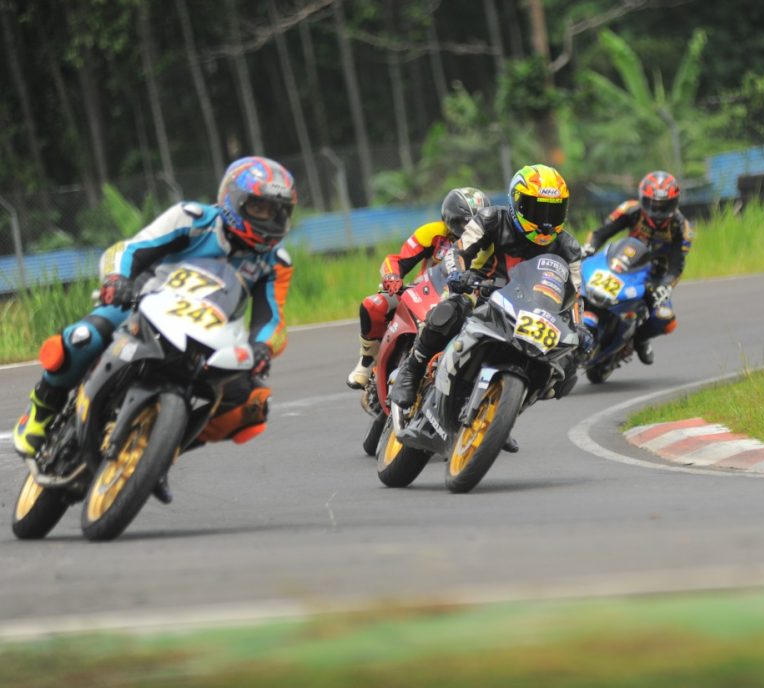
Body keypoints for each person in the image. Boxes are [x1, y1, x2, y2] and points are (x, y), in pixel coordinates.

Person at [12, 156, 297, 500]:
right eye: (259, 207)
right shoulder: (192, 219)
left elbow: (272, 319)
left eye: (277, 211)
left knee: (252, 406)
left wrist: (263, 347)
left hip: (209, 333)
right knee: (83, 337)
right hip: (145, 302)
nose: (269, 218)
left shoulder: (275, 262)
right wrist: (117, 279)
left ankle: (157, 453)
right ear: (233, 199)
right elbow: (130, 248)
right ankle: (41, 411)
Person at [390, 163, 591, 418]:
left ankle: (501, 413)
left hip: (529, 309)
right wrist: (457, 273)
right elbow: (459, 250)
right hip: (481, 291)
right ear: (517, 204)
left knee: (565, 366)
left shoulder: (568, 247)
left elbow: (574, 294)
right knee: (452, 307)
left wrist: (578, 326)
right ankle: (413, 367)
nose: (546, 222)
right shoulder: (491, 219)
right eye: (538, 210)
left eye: (554, 211)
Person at [346, 187, 489, 390]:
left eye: (476, 222)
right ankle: (367, 360)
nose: (470, 228)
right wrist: (392, 277)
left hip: (463, 302)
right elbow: (397, 260)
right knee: (374, 304)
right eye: (465, 222)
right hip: (421, 293)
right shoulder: (432, 232)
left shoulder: (490, 242)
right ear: (450, 218)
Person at [581, 170, 692, 365]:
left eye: (664, 205)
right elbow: (601, 233)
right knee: (583, 278)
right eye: (652, 204)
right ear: (643, 199)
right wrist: (589, 248)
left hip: (655, 276)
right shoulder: (630, 210)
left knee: (666, 319)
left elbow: (677, 265)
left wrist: (665, 286)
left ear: (674, 203)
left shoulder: (680, 227)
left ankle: (639, 339)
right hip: (623, 262)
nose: (657, 211)